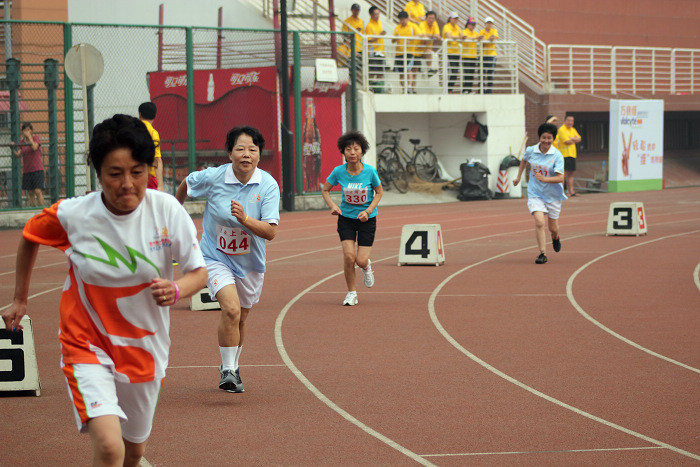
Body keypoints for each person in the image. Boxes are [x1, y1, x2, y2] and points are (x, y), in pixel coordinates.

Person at [2, 114, 208, 467]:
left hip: (145, 349)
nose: (128, 183)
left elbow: (199, 274)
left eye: (137, 172)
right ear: (98, 173)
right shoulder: (75, 214)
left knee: (133, 452)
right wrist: (21, 297)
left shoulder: (168, 211)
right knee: (110, 447)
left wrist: (175, 290)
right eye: (115, 173)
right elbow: (30, 235)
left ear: (148, 169)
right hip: (87, 345)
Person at [175, 126, 280, 393]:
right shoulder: (213, 177)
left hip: (250, 262)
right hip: (214, 256)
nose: (246, 155)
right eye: (240, 149)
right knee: (230, 310)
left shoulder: (267, 185)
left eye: (252, 150)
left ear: (259, 155)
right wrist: (174, 214)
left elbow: (270, 232)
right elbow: (187, 183)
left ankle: (232, 366)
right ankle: (229, 370)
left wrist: (244, 219)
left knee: (242, 318)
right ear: (230, 153)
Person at [321, 131, 383, 306]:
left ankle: (366, 266)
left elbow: (379, 192)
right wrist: (333, 206)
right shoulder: (338, 171)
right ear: (343, 152)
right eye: (348, 149)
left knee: (360, 260)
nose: (352, 152)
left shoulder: (370, 171)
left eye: (356, 149)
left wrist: (368, 211)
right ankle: (351, 293)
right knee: (349, 257)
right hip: (346, 219)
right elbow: (325, 189)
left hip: (367, 220)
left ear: (362, 151)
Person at [512, 122, 566, 264]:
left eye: (549, 138)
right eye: (544, 138)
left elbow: (561, 177)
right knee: (539, 222)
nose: (546, 141)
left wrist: (545, 179)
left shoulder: (557, 155)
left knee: (552, 228)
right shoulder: (531, 151)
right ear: (539, 137)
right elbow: (523, 160)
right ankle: (542, 253)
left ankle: (555, 237)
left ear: (553, 139)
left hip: (553, 195)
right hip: (535, 193)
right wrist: (518, 177)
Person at [12, 122, 45, 207]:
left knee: (38, 191)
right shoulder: (22, 142)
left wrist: (30, 137)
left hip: (37, 169)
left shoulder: (36, 138)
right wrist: (12, 148)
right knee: (30, 192)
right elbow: (18, 154)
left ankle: (42, 209)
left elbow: (34, 147)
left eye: (28, 130)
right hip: (27, 170)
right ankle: (33, 210)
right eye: (25, 130)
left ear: (31, 130)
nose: (26, 131)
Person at [138, 102, 163, 191]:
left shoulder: (132, 130)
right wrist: (160, 185)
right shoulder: (153, 133)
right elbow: (157, 159)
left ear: (140, 115)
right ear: (155, 115)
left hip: (134, 176)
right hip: (149, 178)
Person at [393, 11, 420, 93]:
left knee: (409, 69)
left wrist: (410, 39)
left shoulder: (412, 26)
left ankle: (409, 85)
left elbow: (419, 35)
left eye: (404, 19)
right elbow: (392, 40)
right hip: (399, 52)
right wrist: (395, 37)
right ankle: (403, 89)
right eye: (401, 19)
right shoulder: (397, 28)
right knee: (401, 72)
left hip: (409, 52)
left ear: (407, 19)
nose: (402, 21)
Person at [554, 115, 582, 196]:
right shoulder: (562, 129)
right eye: (569, 120)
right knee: (563, 174)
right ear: (565, 120)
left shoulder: (573, 129)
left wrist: (572, 138)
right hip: (564, 155)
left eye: (572, 121)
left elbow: (579, 139)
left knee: (571, 173)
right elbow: (567, 141)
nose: (570, 122)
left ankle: (571, 191)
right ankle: (561, 192)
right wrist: (574, 139)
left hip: (572, 154)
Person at [366, 6, 387, 86]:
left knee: (380, 70)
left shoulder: (379, 23)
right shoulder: (369, 25)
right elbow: (369, 39)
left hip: (381, 51)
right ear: (371, 15)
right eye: (376, 14)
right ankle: (371, 85)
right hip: (373, 51)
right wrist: (380, 35)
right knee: (373, 69)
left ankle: (379, 86)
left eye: (378, 14)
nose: (378, 16)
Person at [442, 12, 462, 93]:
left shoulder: (457, 27)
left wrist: (458, 38)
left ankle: (450, 89)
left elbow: (462, 36)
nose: (456, 20)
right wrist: (458, 37)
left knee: (455, 71)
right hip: (449, 51)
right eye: (454, 18)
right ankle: (448, 89)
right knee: (451, 70)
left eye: (457, 18)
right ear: (450, 19)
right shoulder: (447, 26)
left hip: (456, 51)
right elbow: (449, 36)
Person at [416, 11, 441, 76]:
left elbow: (437, 35)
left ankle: (429, 69)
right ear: (426, 18)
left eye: (433, 18)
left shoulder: (435, 24)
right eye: (430, 18)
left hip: (426, 48)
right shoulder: (422, 24)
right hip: (418, 48)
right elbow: (423, 35)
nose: (431, 20)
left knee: (429, 52)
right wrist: (433, 36)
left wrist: (433, 36)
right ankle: (429, 69)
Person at [461, 16, 482, 93]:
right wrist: (476, 38)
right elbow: (466, 38)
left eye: (474, 25)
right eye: (471, 24)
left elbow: (477, 38)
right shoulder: (464, 31)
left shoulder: (475, 33)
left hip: (473, 56)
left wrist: (479, 38)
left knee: (472, 74)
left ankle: (469, 90)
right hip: (466, 56)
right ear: (467, 24)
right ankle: (465, 90)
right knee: (467, 73)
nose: (473, 26)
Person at [479, 16, 499, 94]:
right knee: (482, 73)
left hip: (491, 54)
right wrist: (487, 39)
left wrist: (485, 40)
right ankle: (481, 90)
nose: (489, 24)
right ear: (485, 24)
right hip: (483, 54)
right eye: (488, 23)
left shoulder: (494, 30)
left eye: (490, 23)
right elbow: (480, 40)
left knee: (490, 73)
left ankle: (489, 90)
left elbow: (493, 37)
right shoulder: (481, 31)